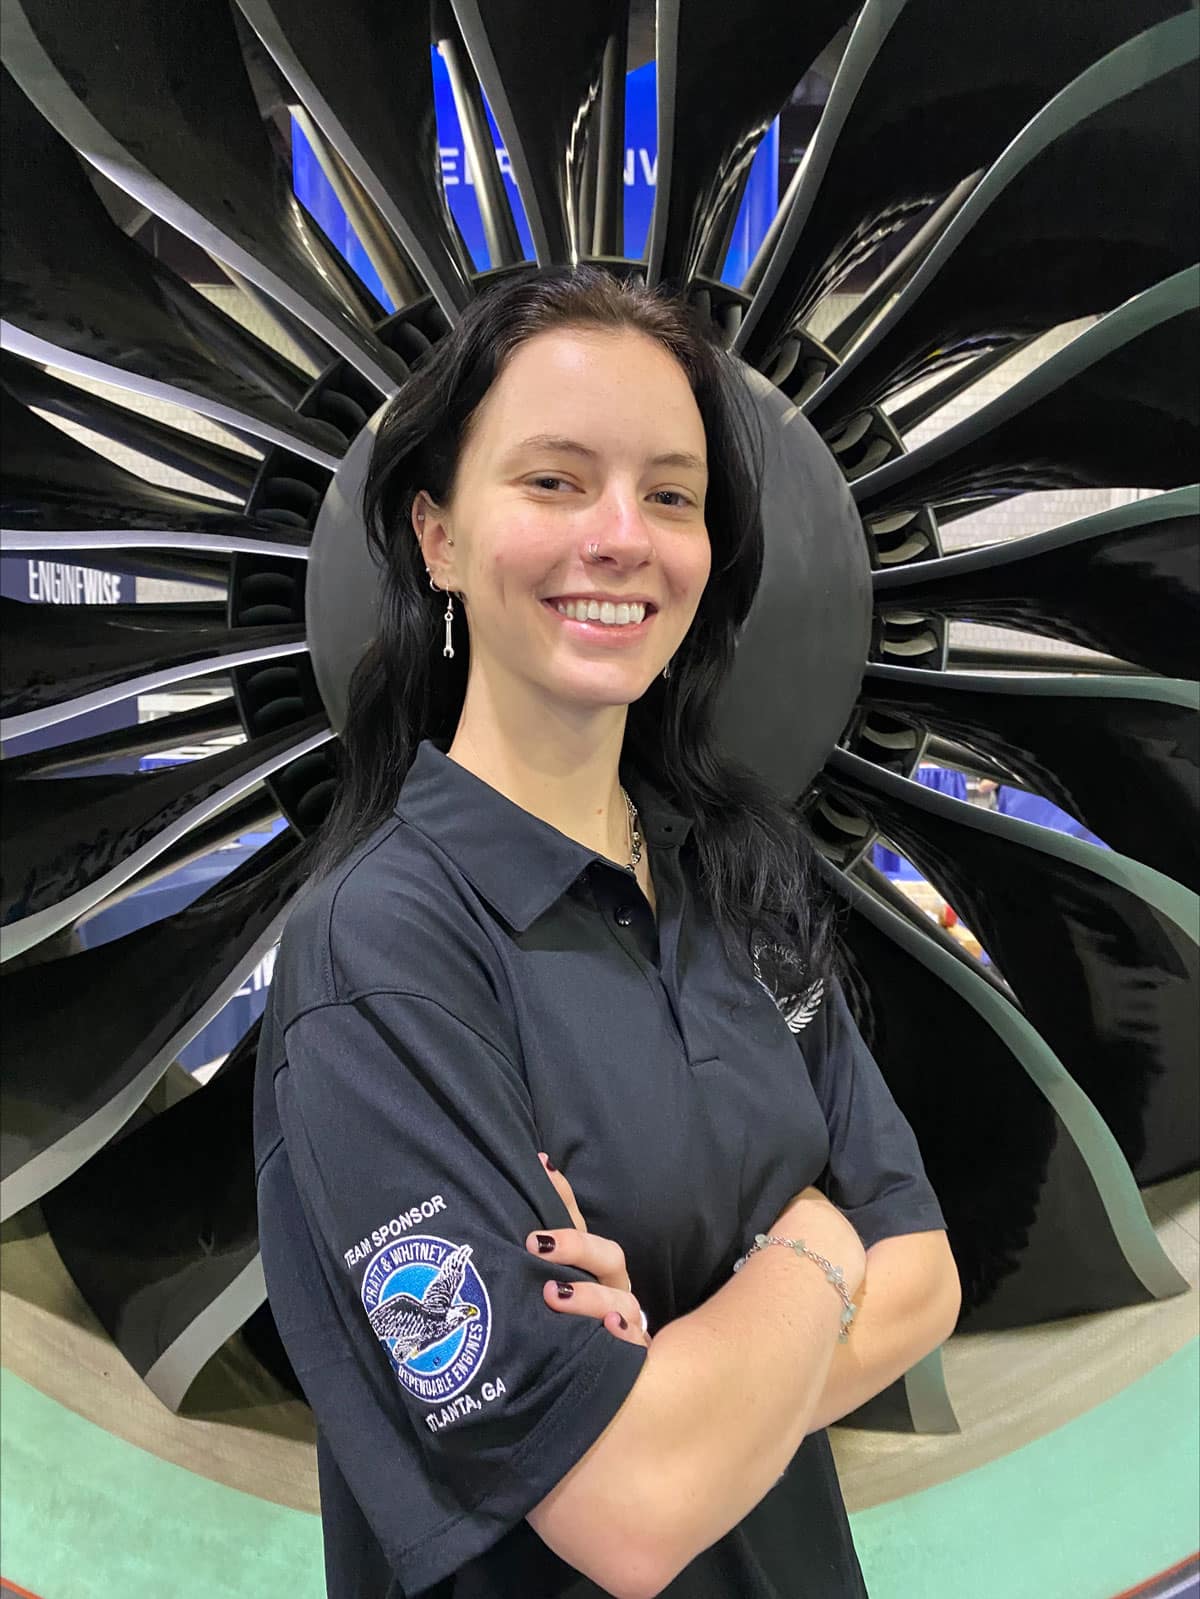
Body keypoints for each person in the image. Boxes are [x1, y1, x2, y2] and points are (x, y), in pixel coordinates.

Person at [253, 266, 960, 1598]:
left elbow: (924, 1274)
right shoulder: (377, 960)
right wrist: (812, 1246)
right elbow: (632, 1513)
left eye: (672, 494)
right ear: (437, 537)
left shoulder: (738, 876)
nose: (624, 536)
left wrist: (676, 1370)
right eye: (554, 481)